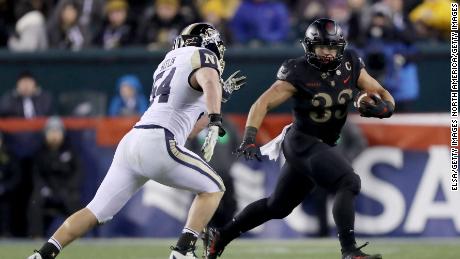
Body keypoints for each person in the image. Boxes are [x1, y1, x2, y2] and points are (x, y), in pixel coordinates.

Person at [27, 23, 244, 259]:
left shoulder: (166, 64)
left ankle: (43, 255)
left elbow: (190, 128)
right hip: (159, 140)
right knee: (214, 188)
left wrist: (219, 98)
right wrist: (215, 119)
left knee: (94, 210)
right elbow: (209, 81)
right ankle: (183, 250)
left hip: (133, 142)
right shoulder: (202, 56)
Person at [204, 18, 395, 259]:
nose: (327, 53)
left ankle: (221, 236)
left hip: (322, 144)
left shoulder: (351, 63)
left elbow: (380, 92)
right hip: (301, 141)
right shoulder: (298, 70)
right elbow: (262, 103)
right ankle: (349, 251)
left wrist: (387, 108)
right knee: (349, 182)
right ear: (309, 47)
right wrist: (250, 136)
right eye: (321, 47)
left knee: (278, 206)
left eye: (332, 47)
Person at [28, 117, 82, 237]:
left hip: (66, 191)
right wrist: (43, 189)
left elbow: (77, 173)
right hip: (47, 192)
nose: (54, 135)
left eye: (57, 132)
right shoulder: (40, 153)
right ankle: (35, 237)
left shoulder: (70, 151)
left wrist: (68, 188)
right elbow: (37, 175)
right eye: (51, 132)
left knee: (75, 204)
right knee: (35, 202)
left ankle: (79, 238)